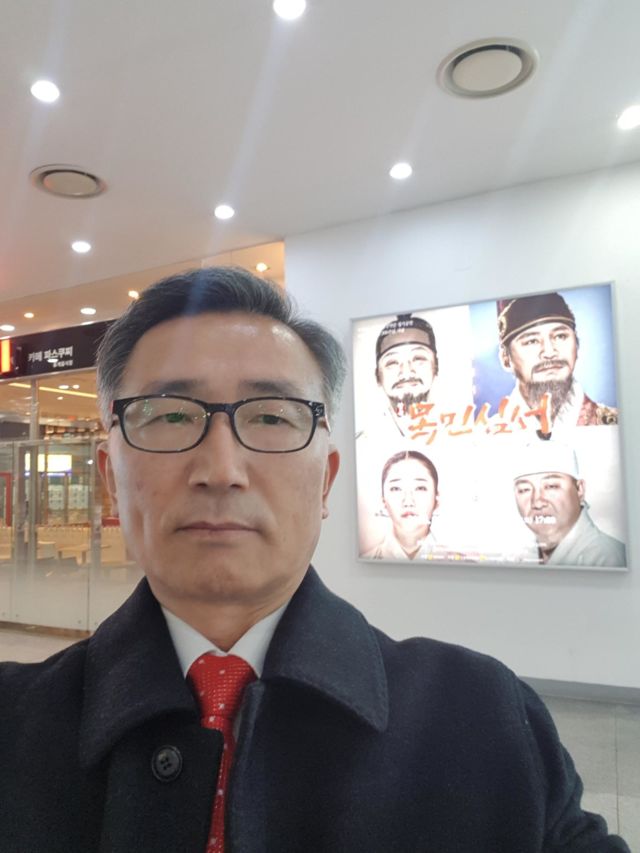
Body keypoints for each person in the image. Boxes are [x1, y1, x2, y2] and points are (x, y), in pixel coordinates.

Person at [0, 267, 629, 852]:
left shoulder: (483, 720)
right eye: (168, 415)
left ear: (325, 480)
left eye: (272, 417)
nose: (221, 469)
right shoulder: (14, 725)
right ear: (111, 479)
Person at [497, 291, 618, 435]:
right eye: (531, 341)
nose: (549, 352)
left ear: (577, 346)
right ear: (505, 358)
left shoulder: (617, 424)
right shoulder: (485, 436)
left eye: (560, 336)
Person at [513, 439, 626, 568]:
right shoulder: (521, 557)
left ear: (579, 489)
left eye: (551, 486)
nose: (537, 503)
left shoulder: (607, 558)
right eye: (524, 490)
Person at [364, 450, 447, 560]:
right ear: (383, 500)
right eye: (396, 489)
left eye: (420, 488)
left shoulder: (456, 562)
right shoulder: (367, 559)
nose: (408, 501)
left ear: (437, 499)